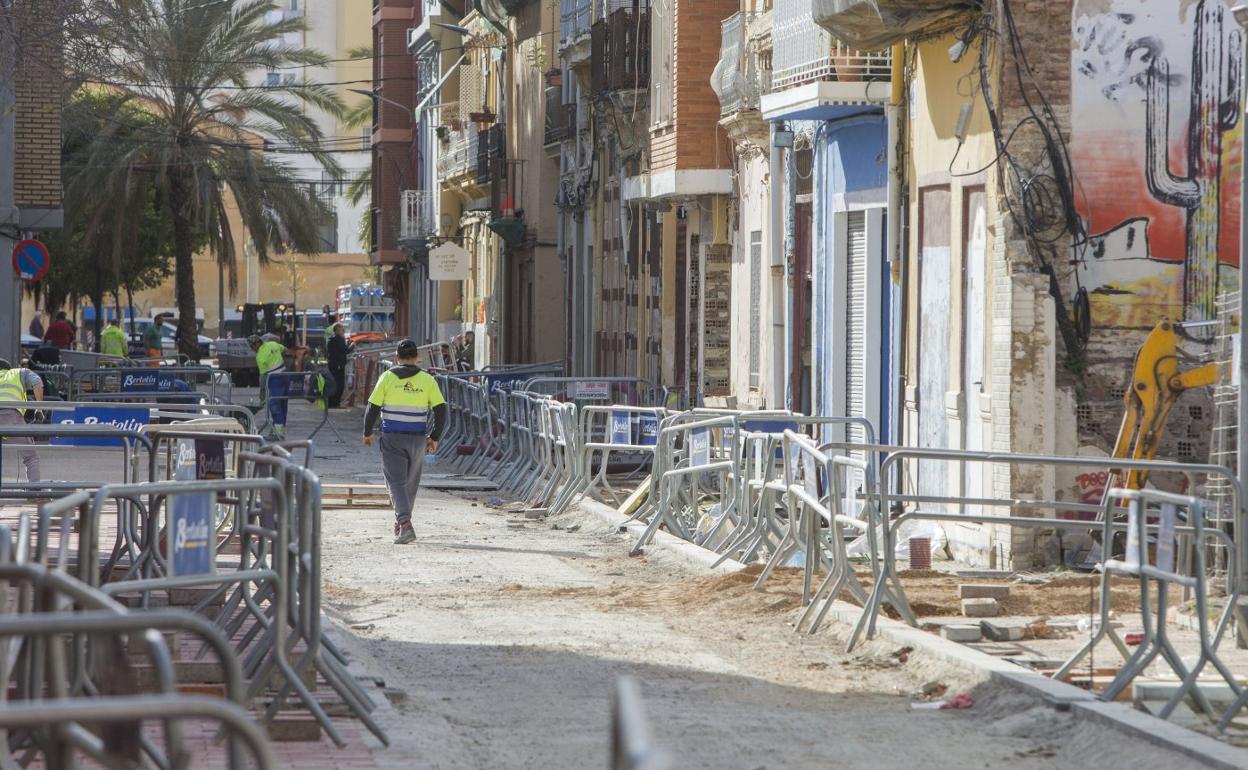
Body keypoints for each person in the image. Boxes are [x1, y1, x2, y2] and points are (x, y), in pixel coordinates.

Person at [362, 339, 447, 544]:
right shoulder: (427, 380)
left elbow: (372, 407)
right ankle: (402, 520)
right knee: (410, 482)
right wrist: (435, 437)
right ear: (417, 358)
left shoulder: (387, 377)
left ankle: (405, 523)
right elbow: (441, 410)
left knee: (395, 481)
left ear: (396, 358)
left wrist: (367, 432)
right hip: (418, 438)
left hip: (392, 437)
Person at [0, 358, 44, 484]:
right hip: (11, 416)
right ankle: (34, 493)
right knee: (31, 457)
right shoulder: (18, 372)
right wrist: (39, 409)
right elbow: (37, 382)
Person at [250, 334, 291, 438]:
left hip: (275, 379)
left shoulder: (259, 356)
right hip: (285, 376)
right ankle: (279, 430)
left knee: (274, 405)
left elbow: (263, 377)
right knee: (283, 404)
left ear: (256, 344)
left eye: (251, 347)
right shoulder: (273, 344)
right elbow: (285, 350)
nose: (252, 349)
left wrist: (262, 394)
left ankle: (277, 433)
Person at [326, 323, 352, 409]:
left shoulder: (330, 340)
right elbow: (345, 350)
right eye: (342, 329)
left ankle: (331, 403)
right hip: (339, 365)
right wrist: (352, 346)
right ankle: (335, 403)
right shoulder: (339, 339)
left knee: (333, 383)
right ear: (338, 330)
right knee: (339, 385)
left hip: (332, 364)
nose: (343, 331)